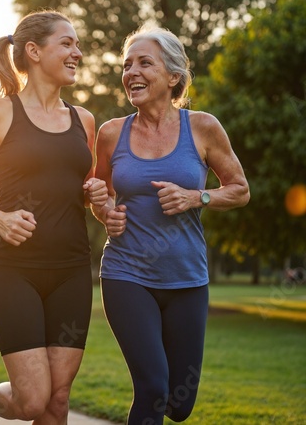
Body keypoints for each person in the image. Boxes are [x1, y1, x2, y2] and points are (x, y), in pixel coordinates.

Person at [0, 10, 108, 425]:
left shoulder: (83, 120)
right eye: (66, 43)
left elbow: (86, 191)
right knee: (33, 399)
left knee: (58, 399)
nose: (77, 53)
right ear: (33, 51)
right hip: (13, 269)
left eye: (77, 44)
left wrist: (97, 193)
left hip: (71, 268)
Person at [92, 25, 250, 424]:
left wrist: (198, 197)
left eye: (145, 63)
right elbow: (101, 194)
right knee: (153, 387)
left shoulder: (203, 128)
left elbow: (240, 189)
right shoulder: (111, 134)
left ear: (173, 76)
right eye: (127, 65)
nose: (132, 72)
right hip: (126, 274)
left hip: (187, 280)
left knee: (179, 405)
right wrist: (105, 211)